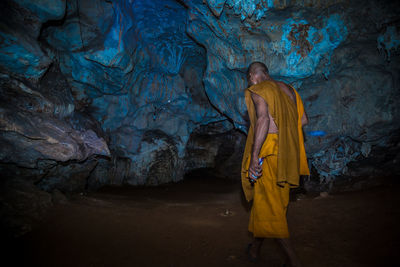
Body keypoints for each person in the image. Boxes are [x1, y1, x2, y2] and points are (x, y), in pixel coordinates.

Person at [241, 62, 310, 267]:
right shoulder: (289, 89)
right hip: (288, 154)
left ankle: (294, 260)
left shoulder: (259, 89)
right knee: (271, 203)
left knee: (270, 206)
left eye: (249, 79)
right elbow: (304, 120)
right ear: (267, 74)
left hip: (269, 154)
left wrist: (254, 156)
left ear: (253, 76)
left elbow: (262, 120)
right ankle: (255, 249)